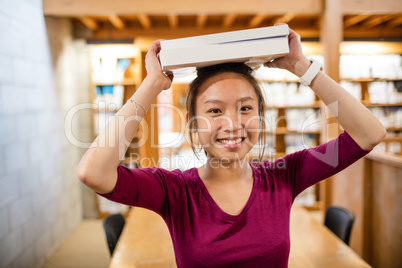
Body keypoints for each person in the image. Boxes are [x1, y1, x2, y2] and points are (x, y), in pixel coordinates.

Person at [78, 25, 386, 267]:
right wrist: (151, 85)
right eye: (214, 111)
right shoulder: (174, 191)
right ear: (193, 124)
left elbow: (369, 133)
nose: (233, 124)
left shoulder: (284, 176)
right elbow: (94, 173)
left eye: (245, 108)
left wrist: (302, 67)